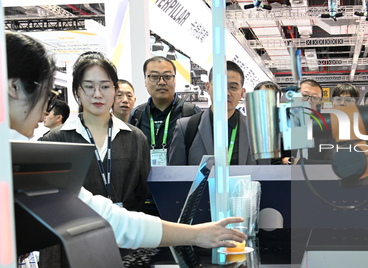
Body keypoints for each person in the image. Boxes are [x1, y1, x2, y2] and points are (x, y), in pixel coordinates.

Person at [6, 31, 245, 253]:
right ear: (14, 88)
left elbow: (107, 215)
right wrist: (194, 235)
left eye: (105, 87)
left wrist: (195, 234)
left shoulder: (134, 137)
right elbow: (103, 216)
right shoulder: (32, 152)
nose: (46, 110)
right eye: (47, 95)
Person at [40, 52, 150, 211]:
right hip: (76, 230)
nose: (97, 94)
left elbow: (142, 192)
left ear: (114, 90)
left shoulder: (135, 138)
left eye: (105, 87)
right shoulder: (55, 140)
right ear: (77, 90)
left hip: (127, 231)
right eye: (89, 87)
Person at [168, 61, 257, 166]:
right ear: (208, 87)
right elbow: (177, 177)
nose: (226, 93)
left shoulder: (255, 130)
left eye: (233, 87)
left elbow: (265, 175)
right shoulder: (186, 128)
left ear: (242, 93)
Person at [129, 56, 200, 166]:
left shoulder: (191, 113)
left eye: (167, 76)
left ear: (174, 79)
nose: (161, 82)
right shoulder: (137, 115)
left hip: (180, 180)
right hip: (145, 182)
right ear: (145, 80)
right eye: (154, 76)